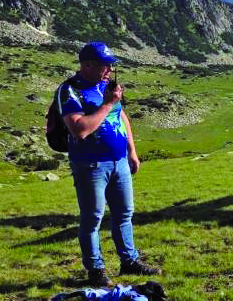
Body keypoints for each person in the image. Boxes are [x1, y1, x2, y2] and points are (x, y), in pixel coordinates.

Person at [58, 41, 160, 286]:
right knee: (92, 218)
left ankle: (129, 261)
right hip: (91, 165)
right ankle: (95, 269)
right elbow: (79, 129)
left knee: (124, 213)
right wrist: (107, 104)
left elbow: (122, 117)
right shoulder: (70, 90)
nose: (110, 71)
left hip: (119, 161)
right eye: (105, 66)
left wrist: (132, 152)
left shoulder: (106, 86)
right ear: (87, 65)